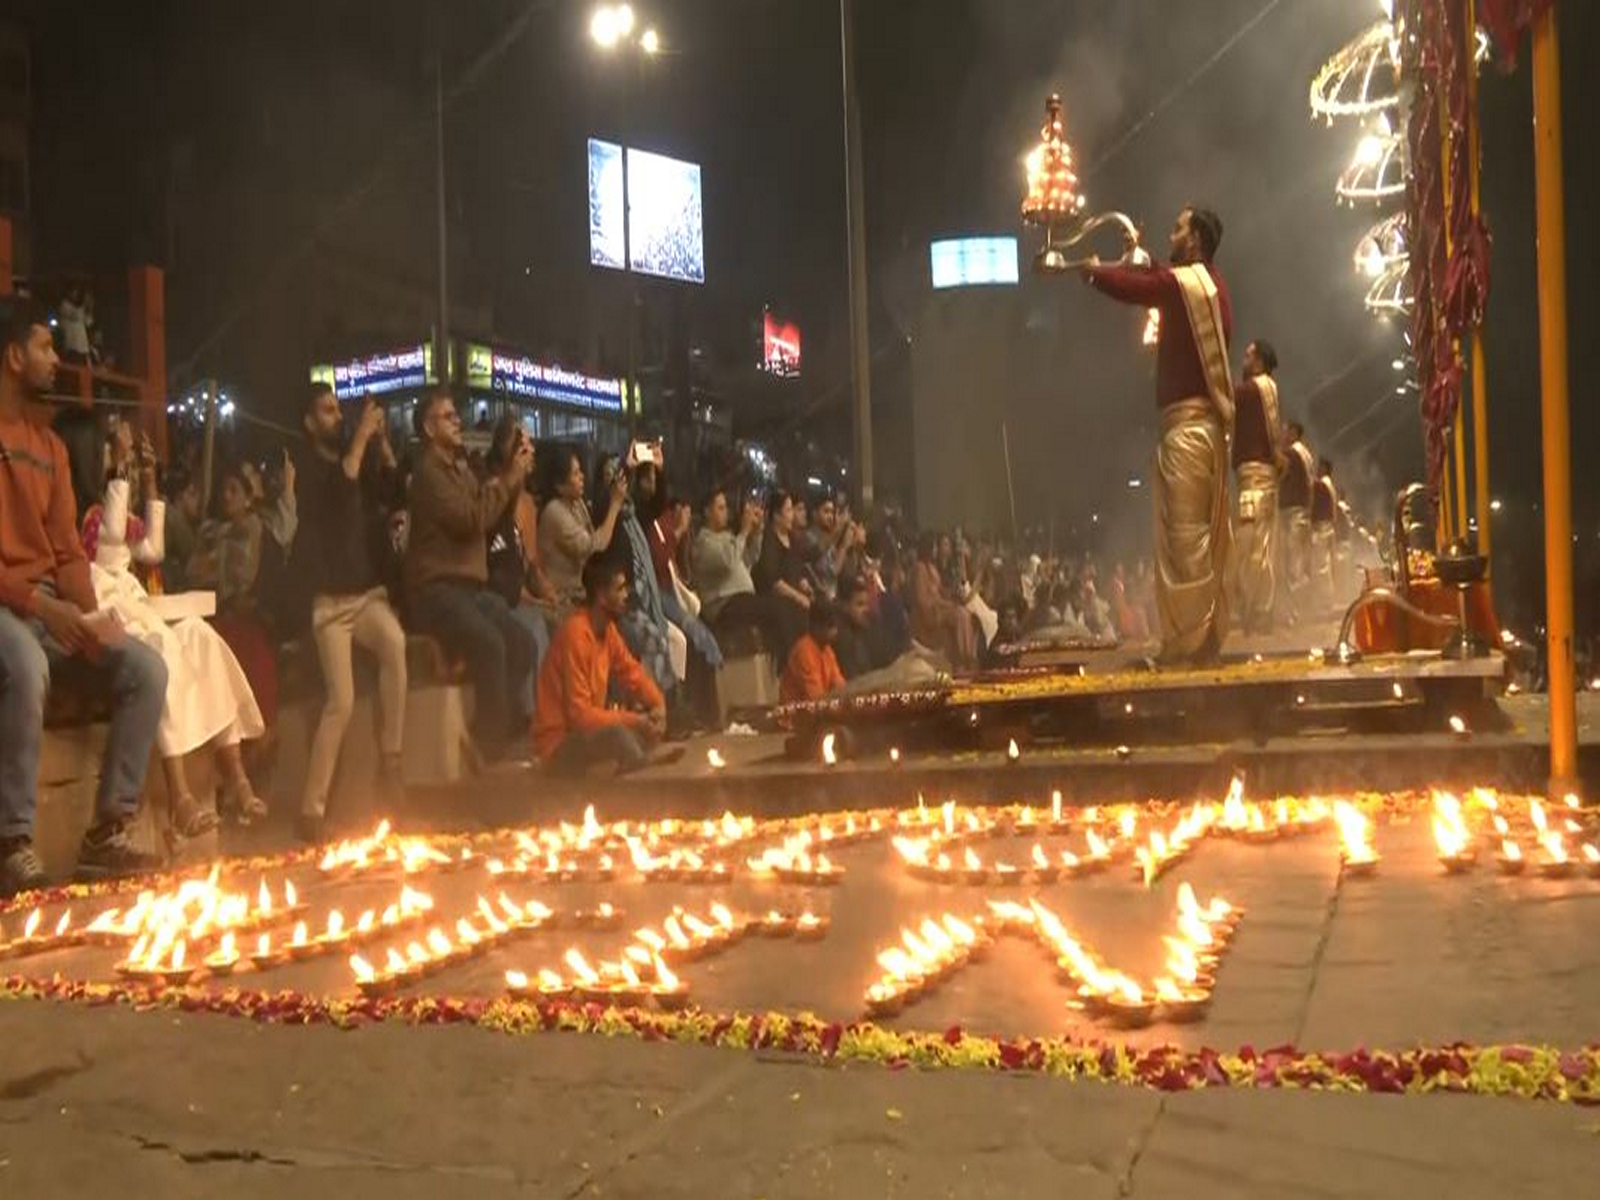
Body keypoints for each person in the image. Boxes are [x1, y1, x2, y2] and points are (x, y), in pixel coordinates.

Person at [0, 297, 167, 895]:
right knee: (25, 662)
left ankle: (106, 833)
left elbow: (69, 553)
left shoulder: (50, 449)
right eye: (45, 347)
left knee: (145, 666)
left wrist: (90, 616)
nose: (55, 360)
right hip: (8, 609)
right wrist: (45, 607)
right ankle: (13, 841)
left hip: (48, 606)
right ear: (14, 356)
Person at [82, 416, 265, 839]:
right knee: (160, 650)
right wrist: (120, 465)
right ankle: (180, 798)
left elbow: (152, 549)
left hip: (135, 603)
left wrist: (148, 482)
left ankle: (237, 779)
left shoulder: (118, 508)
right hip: (109, 610)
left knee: (200, 636)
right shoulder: (90, 516)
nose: (121, 466)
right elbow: (110, 535)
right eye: (113, 458)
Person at [1084, 205, 1234, 665]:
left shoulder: (1182, 286)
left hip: (1187, 433)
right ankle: (1198, 639)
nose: (1171, 233)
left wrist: (1094, 273)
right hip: (1201, 430)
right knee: (1196, 542)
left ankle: (1189, 647)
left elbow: (1145, 288)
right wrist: (1141, 256)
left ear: (1195, 242)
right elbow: (1161, 277)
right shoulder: (1208, 286)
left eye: (1178, 228)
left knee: (1185, 540)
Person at [293, 385, 409, 841]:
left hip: (363, 599)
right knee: (339, 701)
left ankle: (393, 760)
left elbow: (395, 491)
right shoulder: (307, 468)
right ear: (309, 422)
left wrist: (380, 442)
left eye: (340, 409)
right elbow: (338, 492)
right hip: (328, 605)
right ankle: (311, 812)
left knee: (395, 645)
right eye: (327, 410)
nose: (337, 416)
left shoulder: (354, 460)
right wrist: (361, 437)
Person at [403, 387, 536, 763]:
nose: (458, 420)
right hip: (435, 590)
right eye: (448, 416)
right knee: (491, 644)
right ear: (429, 429)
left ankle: (497, 732)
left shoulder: (459, 468)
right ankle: (488, 745)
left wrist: (517, 473)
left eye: (455, 413)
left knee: (522, 642)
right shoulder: (429, 472)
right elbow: (470, 519)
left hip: (468, 589)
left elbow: (491, 518)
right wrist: (508, 477)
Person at [534, 554, 666, 776]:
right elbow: (580, 717)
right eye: (620, 589)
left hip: (586, 734)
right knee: (619, 735)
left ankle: (632, 760)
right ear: (602, 596)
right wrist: (636, 721)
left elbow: (632, 672)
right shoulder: (576, 634)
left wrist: (658, 706)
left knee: (642, 730)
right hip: (559, 745)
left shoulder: (608, 631)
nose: (626, 595)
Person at [484, 416, 556, 717]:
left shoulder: (526, 501)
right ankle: (533, 718)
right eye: (522, 445)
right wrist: (535, 600)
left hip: (519, 591)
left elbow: (527, 562)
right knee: (537, 624)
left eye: (530, 444)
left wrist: (548, 592)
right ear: (507, 452)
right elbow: (498, 571)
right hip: (497, 596)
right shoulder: (493, 492)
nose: (530, 450)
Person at [1230, 339, 1284, 635]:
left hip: (1256, 477)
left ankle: (1259, 613)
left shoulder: (1257, 388)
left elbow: (1226, 396)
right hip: (1255, 475)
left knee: (1256, 546)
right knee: (1255, 545)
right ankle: (1255, 611)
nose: (1244, 357)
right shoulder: (1260, 389)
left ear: (1261, 362)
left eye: (1249, 354)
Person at [537, 444, 626, 609]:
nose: (582, 477)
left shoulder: (576, 503)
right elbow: (594, 546)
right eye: (575, 473)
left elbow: (594, 535)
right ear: (559, 485)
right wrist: (615, 505)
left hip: (579, 594)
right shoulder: (554, 511)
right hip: (561, 599)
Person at [690, 488, 769, 627]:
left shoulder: (726, 536)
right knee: (773, 610)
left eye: (726, 507)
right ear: (707, 512)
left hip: (741, 599)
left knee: (781, 606)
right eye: (720, 508)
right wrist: (744, 531)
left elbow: (749, 559)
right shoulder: (703, 543)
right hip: (723, 604)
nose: (726, 511)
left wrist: (757, 531)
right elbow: (729, 562)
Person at [753, 489, 811, 659]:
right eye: (788, 510)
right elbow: (774, 581)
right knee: (792, 610)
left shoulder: (793, 539)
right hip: (776, 595)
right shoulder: (769, 540)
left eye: (792, 509)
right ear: (776, 516)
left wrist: (804, 584)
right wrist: (798, 597)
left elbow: (798, 570)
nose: (792, 515)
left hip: (794, 592)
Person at [911, 531, 979, 670]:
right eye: (935, 546)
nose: (936, 550)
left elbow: (941, 592)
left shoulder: (932, 567)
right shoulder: (920, 568)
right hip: (931, 613)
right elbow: (921, 600)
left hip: (940, 607)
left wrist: (950, 596)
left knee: (964, 613)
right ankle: (962, 657)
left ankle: (968, 656)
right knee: (960, 615)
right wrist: (941, 604)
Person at [1279, 421, 1316, 623]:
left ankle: (1296, 613)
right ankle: (1306, 609)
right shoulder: (1307, 454)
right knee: (1303, 562)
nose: (1282, 436)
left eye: (1285, 431)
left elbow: (1279, 472)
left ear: (1293, 433)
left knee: (1294, 563)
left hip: (1293, 512)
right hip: (1304, 512)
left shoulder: (1292, 454)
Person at [780, 599, 847, 704]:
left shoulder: (828, 651)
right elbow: (815, 698)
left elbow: (840, 686)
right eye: (830, 626)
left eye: (835, 626)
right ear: (816, 627)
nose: (835, 631)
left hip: (816, 712)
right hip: (795, 716)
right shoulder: (803, 651)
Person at [1311, 458, 1339, 613]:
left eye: (1320, 467)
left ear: (1325, 469)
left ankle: (1324, 603)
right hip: (1329, 528)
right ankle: (1326, 601)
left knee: (1321, 567)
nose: (1317, 469)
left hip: (1322, 528)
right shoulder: (1330, 485)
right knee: (1326, 565)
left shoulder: (1322, 485)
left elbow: (1318, 509)